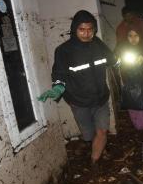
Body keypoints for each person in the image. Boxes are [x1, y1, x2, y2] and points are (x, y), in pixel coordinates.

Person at [38, 10, 117, 173]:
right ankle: (94, 145)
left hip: (101, 98)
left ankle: (94, 161)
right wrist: (58, 87)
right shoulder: (64, 50)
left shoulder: (98, 44)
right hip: (78, 101)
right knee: (88, 134)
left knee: (102, 130)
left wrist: (125, 63)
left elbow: (113, 60)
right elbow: (59, 73)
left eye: (90, 29)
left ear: (94, 30)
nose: (87, 33)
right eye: (82, 29)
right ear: (75, 29)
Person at [115, 29, 143, 130]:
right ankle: (141, 126)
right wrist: (119, 60)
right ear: (126, 37)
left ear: (140, 36)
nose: (133, 38)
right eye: (130, 36)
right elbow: (115, 63)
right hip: (129, 82)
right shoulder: (121, 48)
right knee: (133, 103)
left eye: (136, 35)